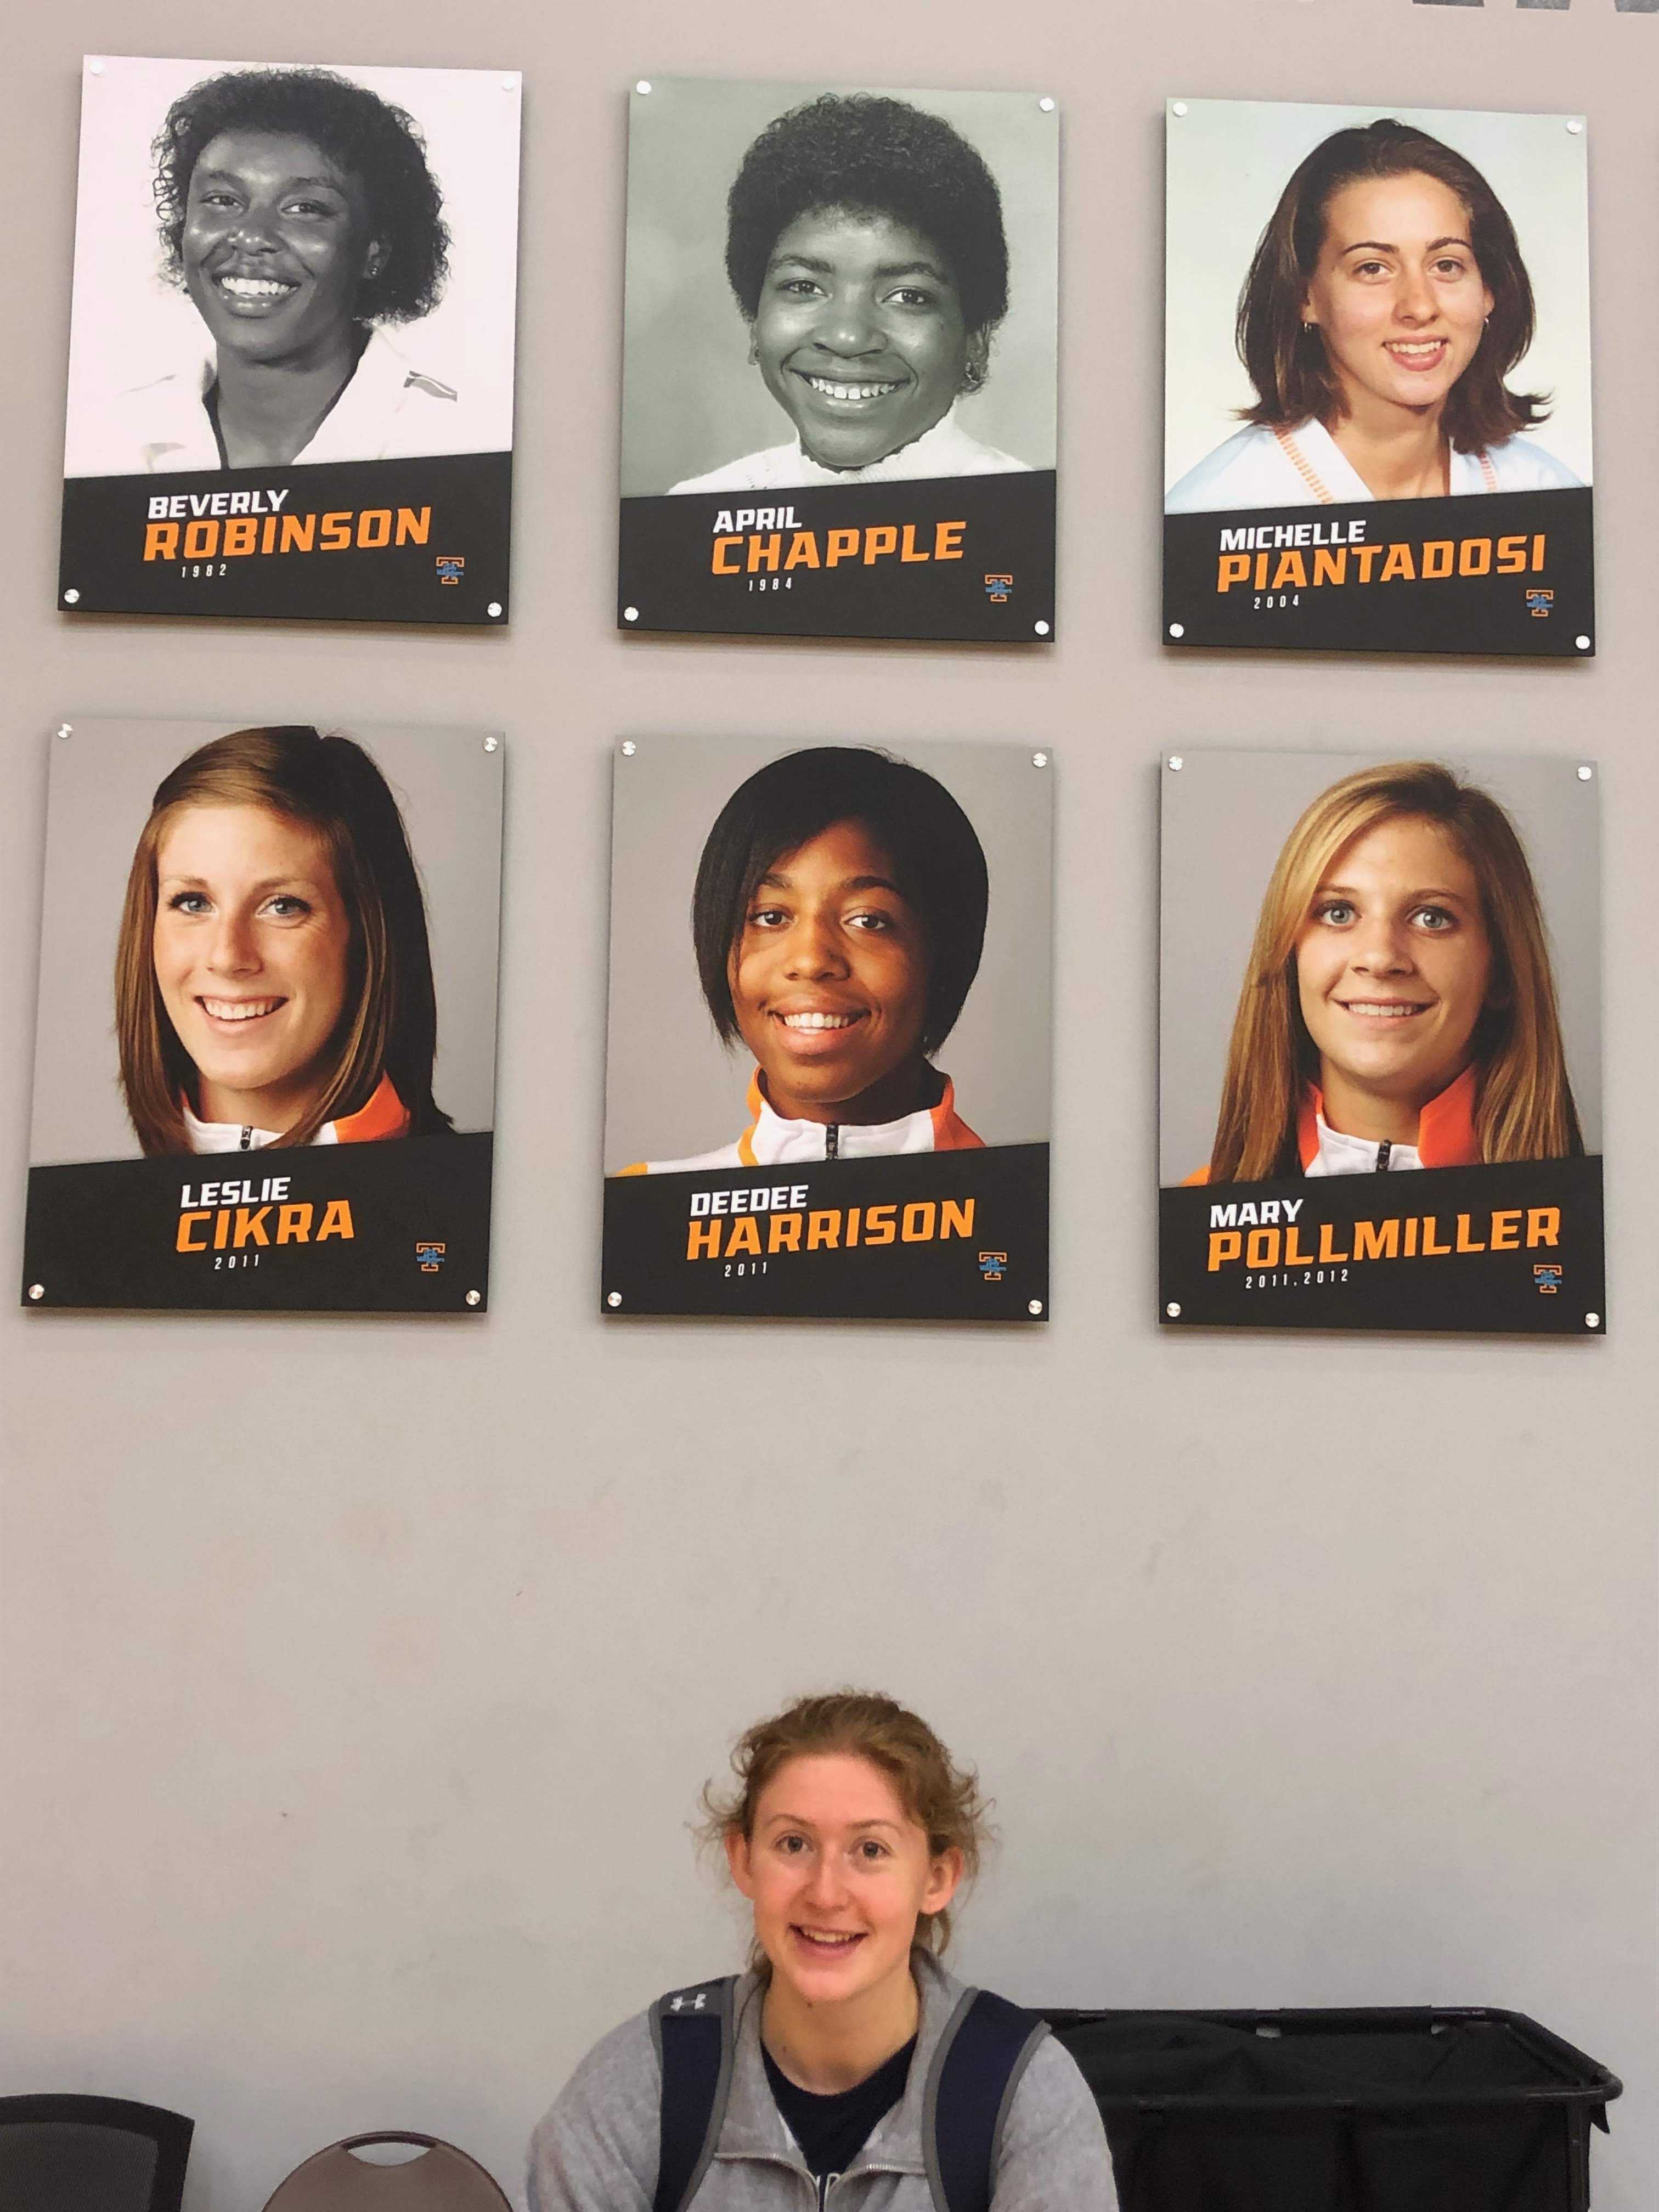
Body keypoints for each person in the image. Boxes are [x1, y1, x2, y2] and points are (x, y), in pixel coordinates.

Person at [526, 1690, 1118, 2210]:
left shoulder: (1023, 2093)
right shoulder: (644, 2080)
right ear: (743, 1860)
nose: (827, 1892)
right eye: (794, 1843)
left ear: (937, 1878)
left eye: (871, 1850)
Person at [1190, 760, 1583, 1184]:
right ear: (1290, 955)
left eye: (1431, 917)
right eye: (1338, 912)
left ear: (1503, 968)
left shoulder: (1601, 1224)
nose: (1379, 958)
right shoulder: (1194, 1229)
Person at [1166, 118, 1582, 511]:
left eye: (1446, 265)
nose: (1419, 307)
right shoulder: (1219, 508)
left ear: (1490, 290)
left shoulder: (1545, 494)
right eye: (1372, 268)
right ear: (1304, 296)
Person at [620, 748, 989, 1172]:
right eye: (770, 916)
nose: (812, 960)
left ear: (943, 956)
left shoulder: (1024, 1215)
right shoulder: (647, 1216)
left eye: (867, 920)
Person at [91, 66, 473, 473]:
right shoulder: (104, 441)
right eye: (223, 200)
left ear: (373, 253)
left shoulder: (459, 441)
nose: (251, 236)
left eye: (305, 208)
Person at [115, 725, 453, 1154]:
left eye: (282, 906)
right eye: (194, 903)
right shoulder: (95, 1216)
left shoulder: (475, 1208)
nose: (227, 956)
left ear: (368, 937)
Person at [671, 95, 1032, 493]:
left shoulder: (1024, 520)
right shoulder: (698, 510)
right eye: (804, 287)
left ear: (976, 339)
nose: (848, 338)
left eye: (908, 296)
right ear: (755, 322)